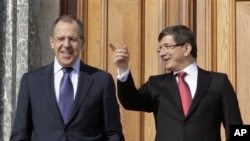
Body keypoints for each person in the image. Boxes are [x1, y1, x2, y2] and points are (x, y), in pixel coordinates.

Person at [109, 25, 242, 141]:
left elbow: (236, 128)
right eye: (160, 49)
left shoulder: (219, 82)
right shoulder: (156, 84)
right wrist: (123, 68)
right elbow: (130, 101)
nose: (162, 53)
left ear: (186, 48)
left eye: (167, 47)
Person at [10, 15, 124, 141]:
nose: (66, 44)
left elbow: (113, 134)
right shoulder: (31, 81)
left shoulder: (101, 81)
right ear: (52, 42)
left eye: (72, 39)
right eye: (61, 39)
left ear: (82, 43)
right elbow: (20, 135)